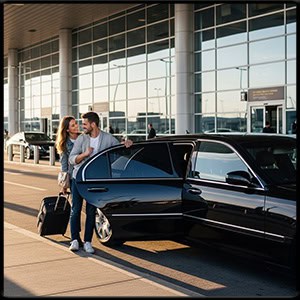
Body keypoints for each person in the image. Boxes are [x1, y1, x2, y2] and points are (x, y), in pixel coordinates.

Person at [68, 111, 133, 253]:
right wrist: (85, 154)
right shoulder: (81, 139)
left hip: (95, 180)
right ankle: (74, 240)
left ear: (93, 124)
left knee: (91, 211)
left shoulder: (107, 138)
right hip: (79, 178)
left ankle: (87, 242)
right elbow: (71, 159)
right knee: (76, 210)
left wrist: (126, 144)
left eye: (85, 124)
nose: (82, 127)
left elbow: (119, 149)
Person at [55, 116, 80, 194]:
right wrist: (64, 185)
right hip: (73, 176)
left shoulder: (84, 138)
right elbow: (64, 164)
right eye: (73, 125)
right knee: (76, 204)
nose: (76, 126)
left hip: (86, 174)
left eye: (76, 123)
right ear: (67, 129)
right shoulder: (64, 144)